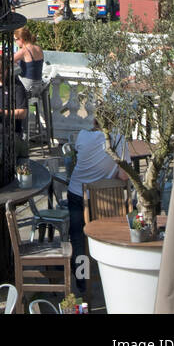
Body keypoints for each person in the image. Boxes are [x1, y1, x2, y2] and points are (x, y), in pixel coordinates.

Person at [66, 124, 130, 296]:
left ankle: (82, 282)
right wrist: (111, 171)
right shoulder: (119, 140)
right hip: (101, 197)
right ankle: (111, 275)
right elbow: (124, 175)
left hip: (77, 192)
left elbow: (79, 158)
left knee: (78, 238)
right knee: (108, 236)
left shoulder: (83, 135)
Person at [13, 26, 47, 138]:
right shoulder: (38, 48)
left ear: (21, 39)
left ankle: (18, 131)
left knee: (7, 94)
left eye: (15, 40)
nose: (15, 42)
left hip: (28, 86)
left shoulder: (24, 50)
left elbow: (6, 60)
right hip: (38, 86)